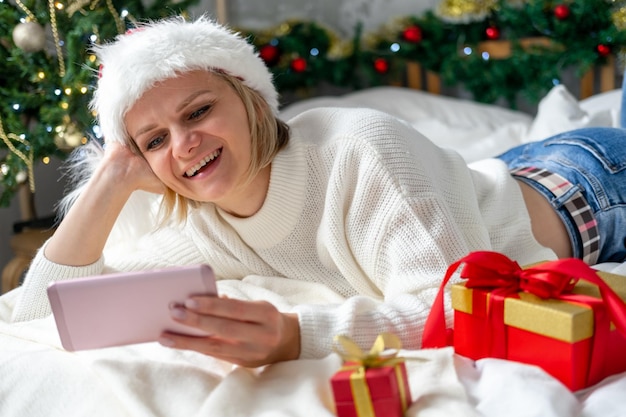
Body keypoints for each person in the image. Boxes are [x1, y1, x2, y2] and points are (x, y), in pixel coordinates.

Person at [10, 15, 626, 367]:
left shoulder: (363, 148)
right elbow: (41, 309)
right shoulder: (200, 219)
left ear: (250, 96)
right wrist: (111, 178)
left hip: (587, 189)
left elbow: (452, 306)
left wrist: (292, 335)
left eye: (198, 112)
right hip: (500, 173)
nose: (184, 145)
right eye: (153, 141)